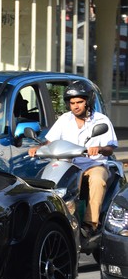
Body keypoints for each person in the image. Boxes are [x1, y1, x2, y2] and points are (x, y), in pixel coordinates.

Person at [28, 80, 118, 236]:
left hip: (93, 164)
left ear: (88, 101)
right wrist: (39, 147)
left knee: (97, 179)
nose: (75, 106)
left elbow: (110, 148)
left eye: (80, 102)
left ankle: (90, 224)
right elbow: (50, 141)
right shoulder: (64, 119)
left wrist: (100, 149)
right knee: (44, 178)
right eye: (72, 103)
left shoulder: (101, 120)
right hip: (68, 163)